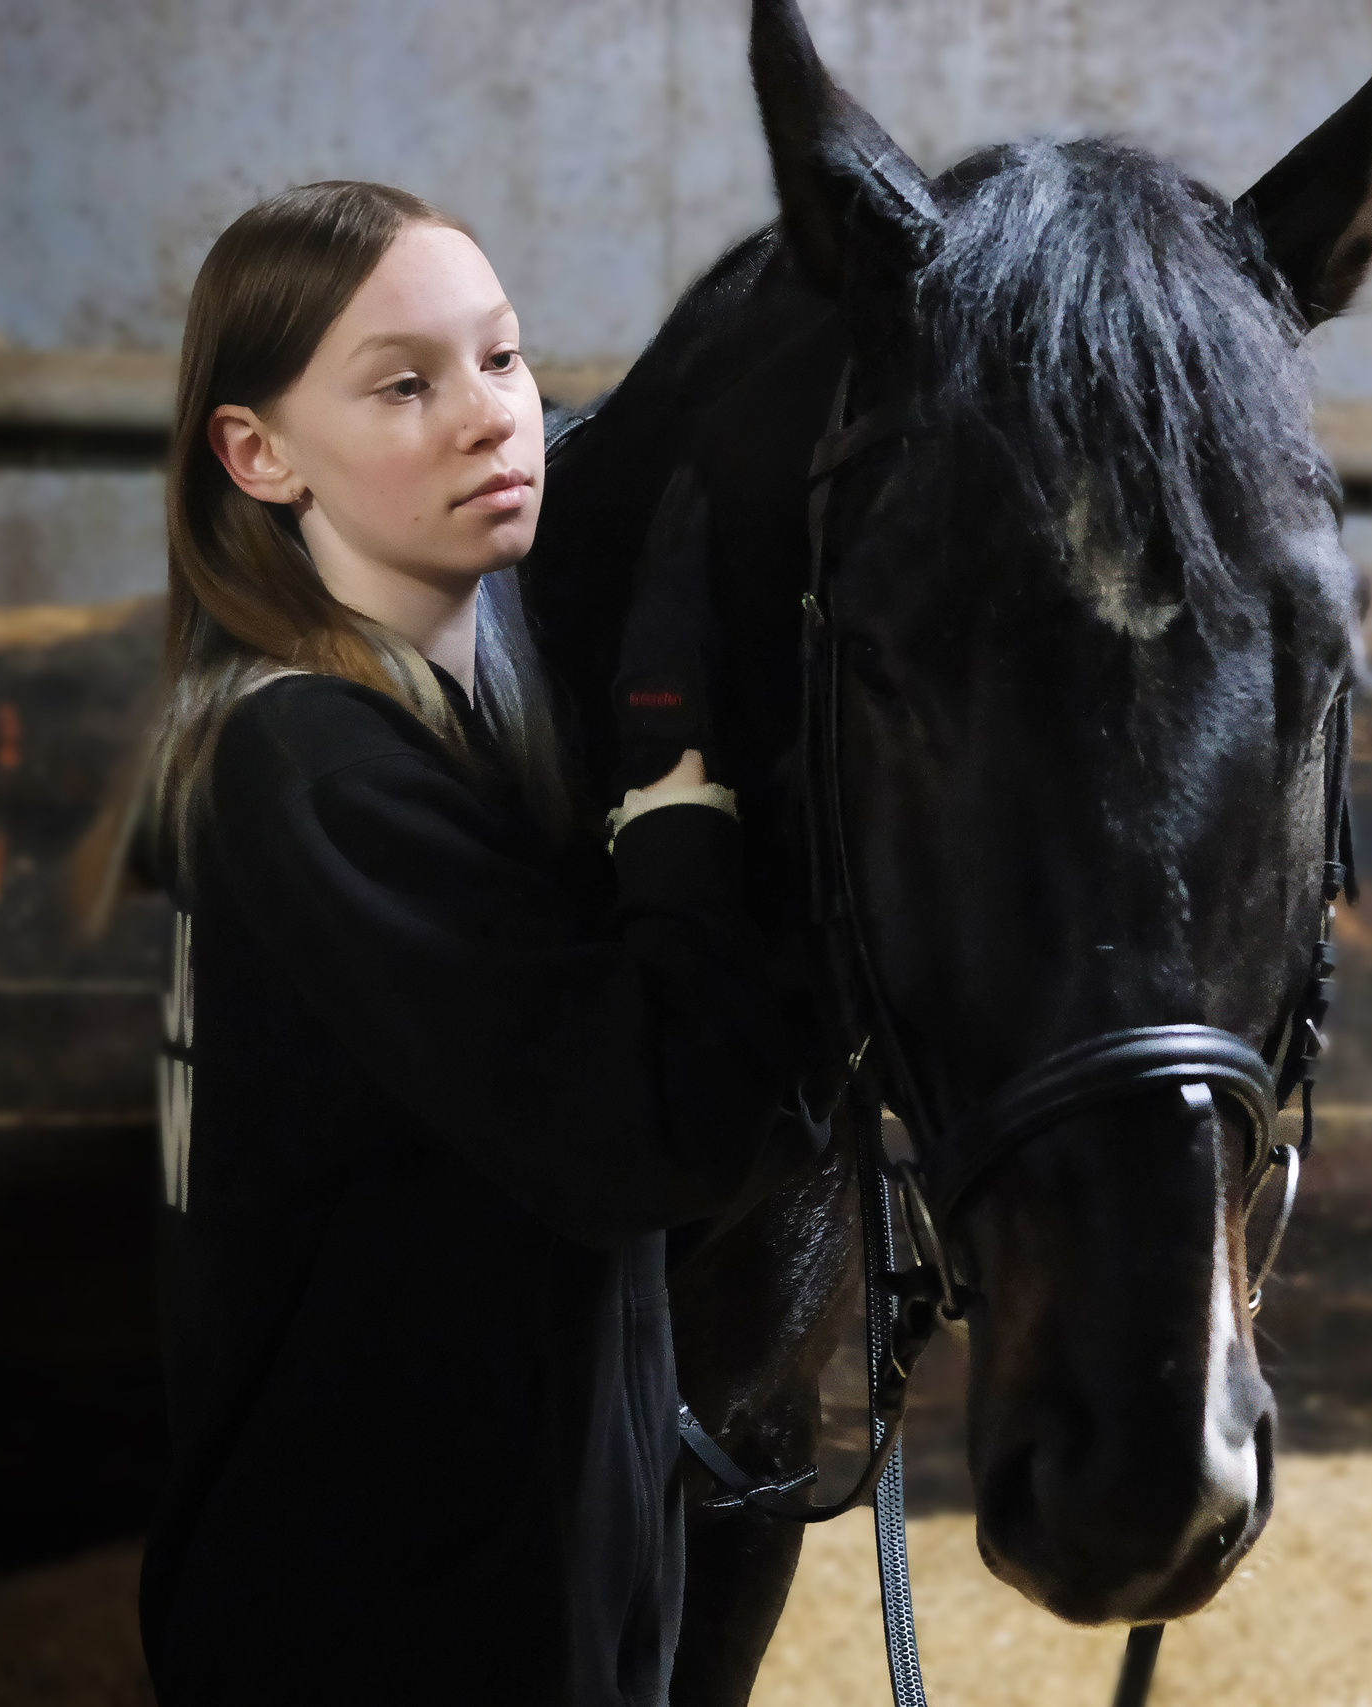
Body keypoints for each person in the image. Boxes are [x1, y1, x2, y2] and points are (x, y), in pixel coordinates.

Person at [136, 180, 816, 1705]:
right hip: (389, 1622)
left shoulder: (449, 727)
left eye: (502, 358)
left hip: (501, 1573)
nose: (488, 417)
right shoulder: (312, 766)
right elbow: (647, 1138)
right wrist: (681, 789)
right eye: (403, 383)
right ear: (259, 456)